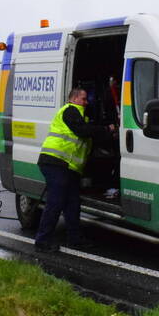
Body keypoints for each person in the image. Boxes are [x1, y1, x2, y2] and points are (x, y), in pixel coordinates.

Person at [34, 88, 115, 252]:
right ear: (74, 98)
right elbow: (82, 131)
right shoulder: (70, 110)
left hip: (67, 166)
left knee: (72, 204)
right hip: (56, 162)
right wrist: (107, 130)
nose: (87, 102)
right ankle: (42, 241)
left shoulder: (81, 117)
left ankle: (75, 239)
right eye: (84, 99)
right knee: (55, 202)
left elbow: (86, 136)